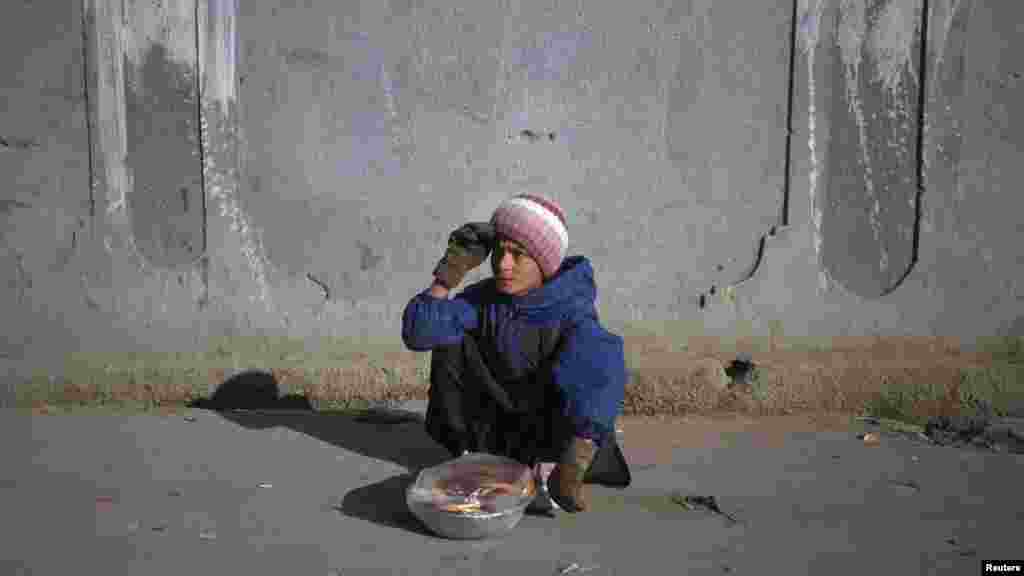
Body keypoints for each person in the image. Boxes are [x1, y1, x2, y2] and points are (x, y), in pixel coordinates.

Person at [401, 193, 629, 513]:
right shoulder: (484, 300)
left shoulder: (569, 308)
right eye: (499, 253)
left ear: (544, 263)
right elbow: (419, 332)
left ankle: (560, 472)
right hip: (499, 433)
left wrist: (574, 462)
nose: (503, 265)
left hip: (553, 438)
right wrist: (448, 274)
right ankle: (470, 457)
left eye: (517, 255)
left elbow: (601, 374)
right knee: (448, 333)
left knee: (594, 357)